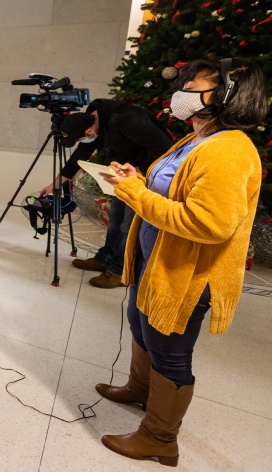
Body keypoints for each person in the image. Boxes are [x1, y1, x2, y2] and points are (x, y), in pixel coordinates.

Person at [97, 59, 267, 466]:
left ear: (225, 96)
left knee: (170, 351)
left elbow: (207, 224)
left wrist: (134, 194)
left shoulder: (229, 151)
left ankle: (159, 438)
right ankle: (141, 390)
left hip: (189, 274)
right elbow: (174, 191)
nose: (185, 89)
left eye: (195, 84)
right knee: (141, 325)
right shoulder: (201, 137)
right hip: (156, 261)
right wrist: (136, 179)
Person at [40, 98, 172, 288]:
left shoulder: (127, 119)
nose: (83, 142)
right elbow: (80, 155)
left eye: (81, 139)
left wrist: (137, 170)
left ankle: (119, 271)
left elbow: (164, 148)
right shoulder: (93, 121)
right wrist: (55, 184)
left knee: (129, 224)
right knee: (116, 218)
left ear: (88, 132)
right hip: (125, 175)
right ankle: (105, 258)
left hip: (147, 175)